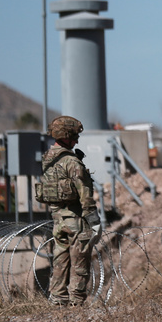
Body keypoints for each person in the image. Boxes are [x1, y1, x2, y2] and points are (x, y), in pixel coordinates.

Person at [36, 115, 99, 306]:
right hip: (76, 219)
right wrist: (94, 220)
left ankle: (57, 299)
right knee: (80, 261)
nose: (77, 140)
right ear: (66, 135)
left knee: (60, 261)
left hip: (58, 219)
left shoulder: (48, 158)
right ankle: (76, 302)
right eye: (74, 136)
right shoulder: (71, 162)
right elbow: (85, 193)